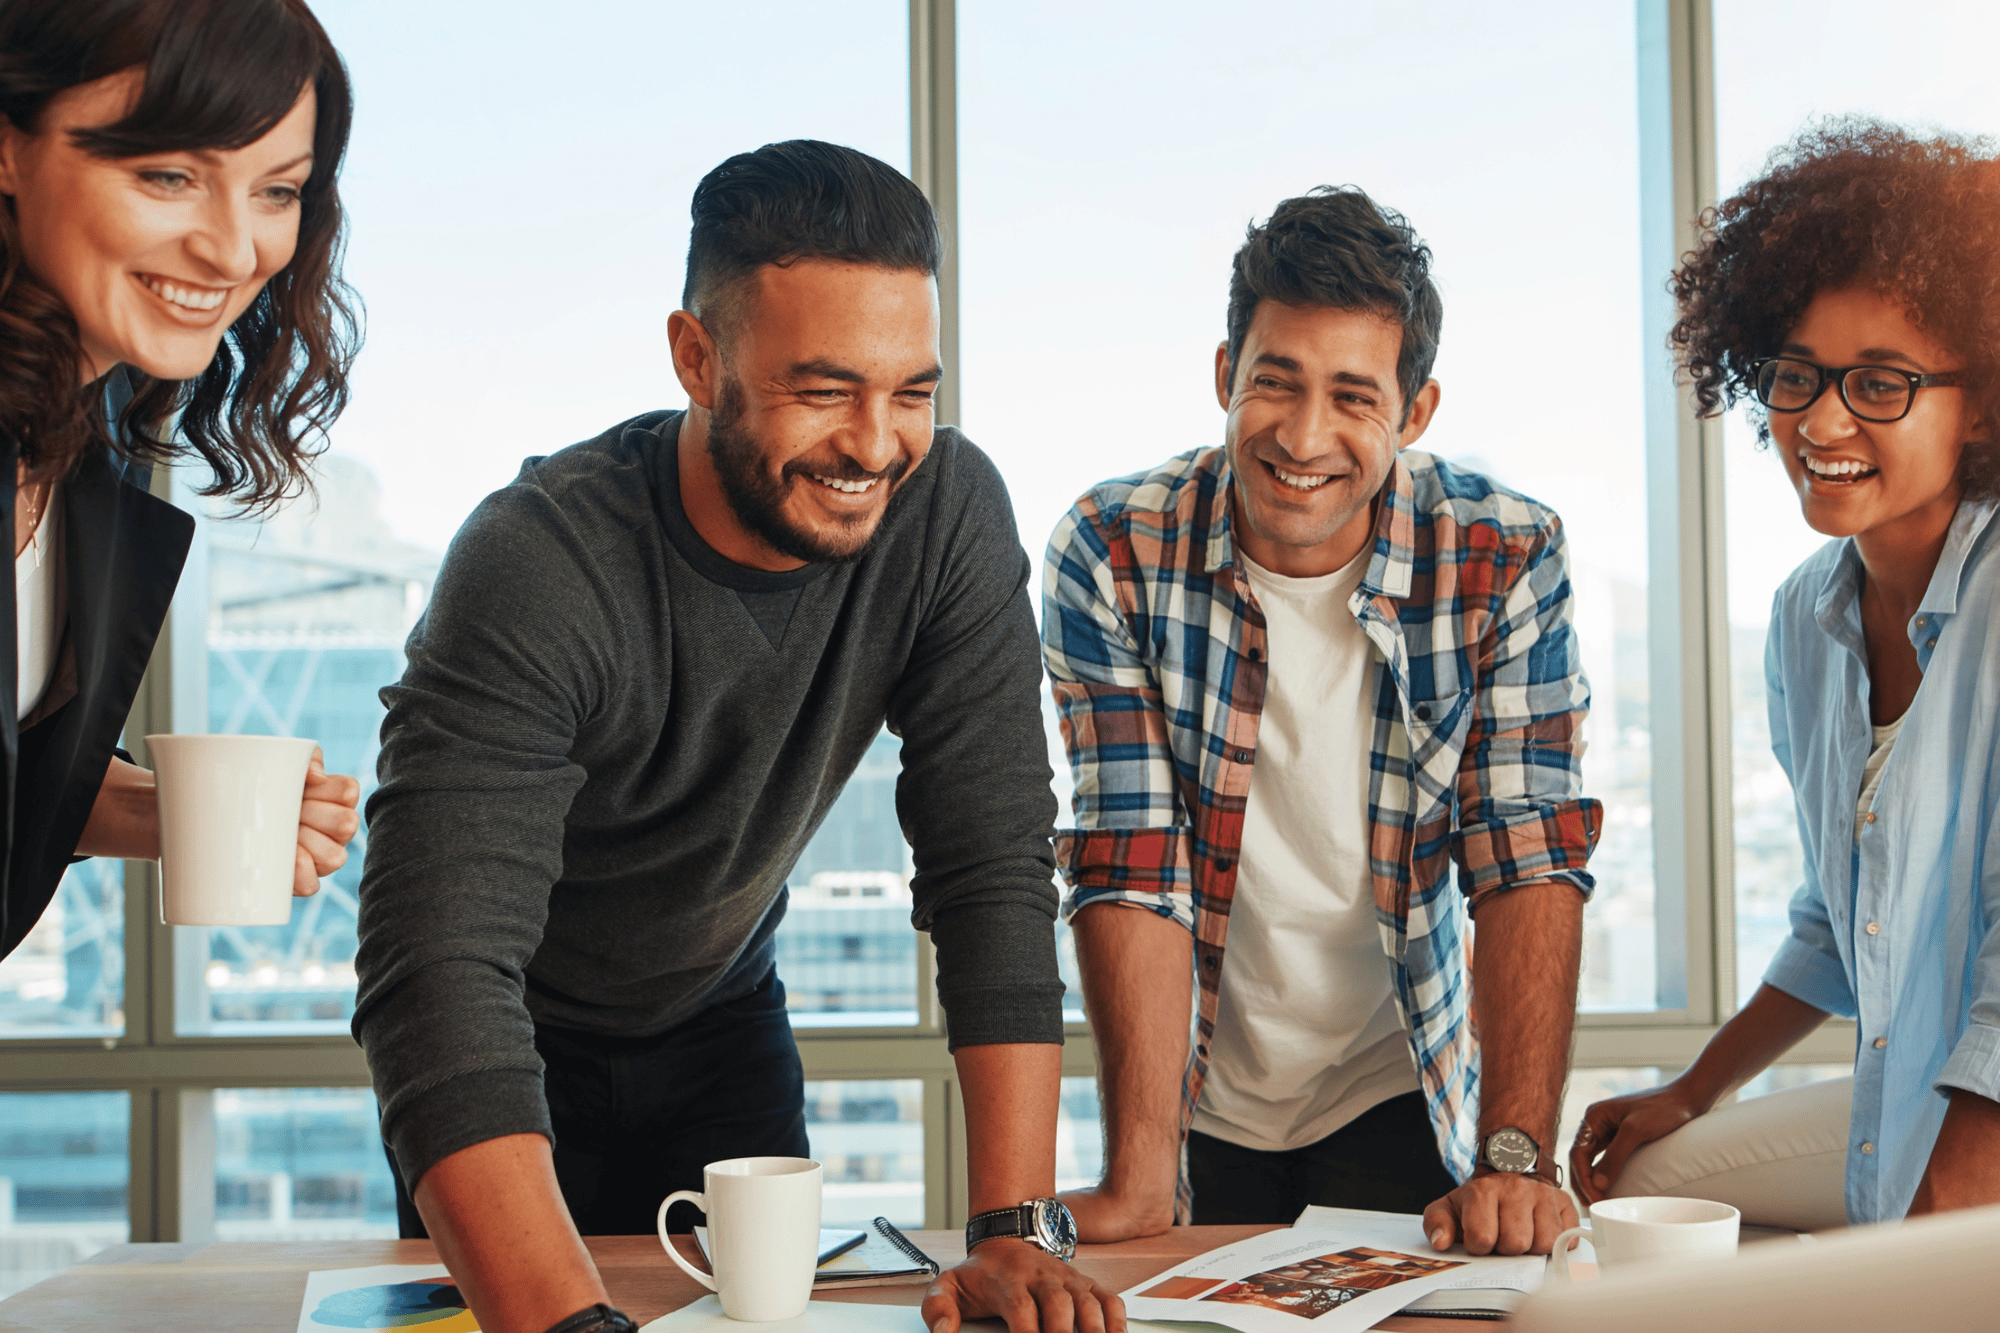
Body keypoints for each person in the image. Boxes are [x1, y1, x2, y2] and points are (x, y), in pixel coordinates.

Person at [353, 140, 1121, 1333]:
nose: (874, 445)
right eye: (823, 391)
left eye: (910, 391)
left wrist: (1014, 1227)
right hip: (504, 1049)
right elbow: (438, 966)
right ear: (695, 358)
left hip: (722, 1023)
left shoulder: (946, 513)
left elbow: (989, 867)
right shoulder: (536, 562)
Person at [1041, 186, 1601, 1258]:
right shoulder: (1113, 547)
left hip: (1392, 1080)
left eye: (1352, 396)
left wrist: (1515, 1155)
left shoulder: (1503, 551)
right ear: (1223, 376)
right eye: (1274, 382)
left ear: (1414, 410)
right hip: (1196, 1093)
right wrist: (1140, 1171)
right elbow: (1130, 857)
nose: (1303, 435)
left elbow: (1522, 851)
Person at [1573, 121, 2000, 1227]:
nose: (1819, 420)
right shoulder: (1803, 618)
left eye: (1879, 383)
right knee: (1647, 1184)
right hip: (1915, 1092)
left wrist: (1937, 1223)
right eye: (1797, 373)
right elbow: (1831, 917)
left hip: (1984, 1117)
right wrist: (1691, 1087)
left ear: (1981, 402)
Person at [0, 0, 362, 965]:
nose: (233, 249)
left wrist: (171, 810)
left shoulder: (84, 457)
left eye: (277, 192)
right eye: (169, 175)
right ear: (7, 146)